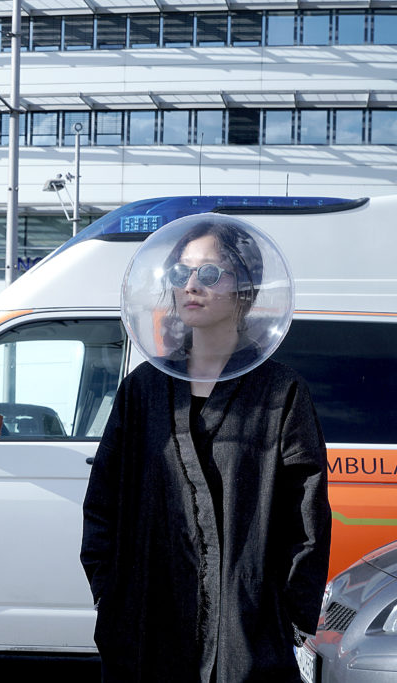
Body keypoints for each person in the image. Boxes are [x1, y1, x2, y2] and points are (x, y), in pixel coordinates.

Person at [81, 218, 331, 682]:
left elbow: (307, 518)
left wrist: (285, 616)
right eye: (181, 273)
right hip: (145, 625)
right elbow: (103, 502)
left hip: (248, 633)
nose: (191, 285)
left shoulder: (281, 393)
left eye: (210, 274)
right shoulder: (143, 390)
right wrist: (110, 593)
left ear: (245, 289)